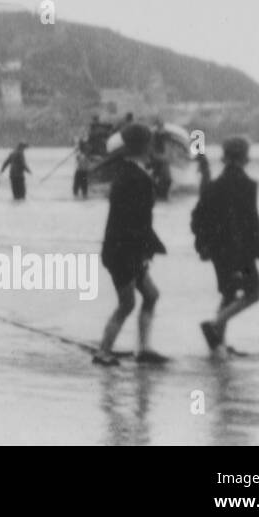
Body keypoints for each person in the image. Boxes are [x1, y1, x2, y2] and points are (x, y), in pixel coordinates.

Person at [92, 123, 168, 366]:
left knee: (151, 295)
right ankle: (103, 352)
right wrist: (147, 248)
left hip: (121, 249)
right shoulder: (135, 177)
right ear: (145, 146)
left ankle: (144, 349)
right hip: (124, 252)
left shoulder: (128, 171)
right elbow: (137, 221)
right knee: (127, 304)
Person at [190, 137, 259, 357]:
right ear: (245, 156)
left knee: (228, 294)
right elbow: (251, 222)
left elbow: (197, 216)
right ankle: (215, 324)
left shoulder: (213, 185)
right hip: (241, 252)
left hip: (219, 251)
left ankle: (218, 348)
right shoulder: (247, 185)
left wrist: (203, 246)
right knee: (255, 292)